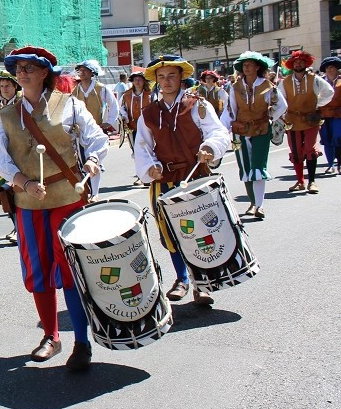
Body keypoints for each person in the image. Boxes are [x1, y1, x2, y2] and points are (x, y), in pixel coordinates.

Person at [0, 46, 106, 371]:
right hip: (29, 200)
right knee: (37, 268)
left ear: (44, 73)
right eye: (19, 68)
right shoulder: (7, 115)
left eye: (30, 68)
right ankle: (51, 337)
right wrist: (22, 183)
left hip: (68, 195)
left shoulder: (68, 105)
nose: (23, 72)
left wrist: (94, 159)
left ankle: (81, 342)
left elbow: (96, 138)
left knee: (68, 267)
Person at [135, 57, 229, 306]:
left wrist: (209, 147)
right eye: (162, 77)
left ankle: (202, 283)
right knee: (171, 233)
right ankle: (182, 279)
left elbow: (218, 132)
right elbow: (142, 146)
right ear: (156, 80)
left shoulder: (197, 106)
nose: (167, 82)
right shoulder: (148, 113)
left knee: (199, 231)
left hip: (195, 176)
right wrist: (149, 167)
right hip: (164, 180)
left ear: (181, 78)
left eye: (172, 76)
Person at [220, 51, 287, 219]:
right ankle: (252, 203)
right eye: (244, 65)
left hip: (261, 130)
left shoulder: (267, 86)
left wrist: (270, 118)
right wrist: (223, 130)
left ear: (258, 67)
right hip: (241, 131)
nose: (246, 67)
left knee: (258, 167)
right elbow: (230, 111)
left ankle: (259, 205)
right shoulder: (234, 87)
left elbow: (282, 105)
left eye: (250, 64)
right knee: (246, 168)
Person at [278, 51, 334, 194]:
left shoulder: (315, 79)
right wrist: (282, 115)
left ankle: (312, 181)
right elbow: (281, 101)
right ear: (292, 65)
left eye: (301, 62)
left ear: (306, 64)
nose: (298, 64)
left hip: (310, 119)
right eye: (296, 62)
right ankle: (300, 181)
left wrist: (317, 105)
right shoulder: (285, 82)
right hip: (292, 120)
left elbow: (329, 92)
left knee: (309, 148)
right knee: (296, 151)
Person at [72, 59, 118, 197]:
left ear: (92, 72)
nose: (82, 72)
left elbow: (113, 105)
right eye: (80, 70)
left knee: (93, 159)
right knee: (82, 162)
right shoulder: (76, 90)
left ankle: (95, 193)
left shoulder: (101, 88)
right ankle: (88, 191)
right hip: (80, 132)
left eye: (85, 70)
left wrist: (109, 122)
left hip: (96, 130)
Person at [120, 69, 150, 187]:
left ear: (143, 81)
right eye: (135, 79)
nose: (137, 81)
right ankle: (140, 175)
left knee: (148, 151)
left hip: (147, 128)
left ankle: (149, 174)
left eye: (140, 79)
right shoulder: (126, 95)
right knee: (136, 151)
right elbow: (121, 108)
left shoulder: (150, 95)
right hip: (132, 127)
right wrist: (124, 116)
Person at [320, 56, 341, 175]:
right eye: (327, 67)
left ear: (337, 68)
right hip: (323, 114)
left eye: (332, 67)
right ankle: (330, 165)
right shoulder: (320, 82)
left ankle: (340, 163)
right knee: (326, 139)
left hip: (338, 114)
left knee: (338, 137)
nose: (330, 70)